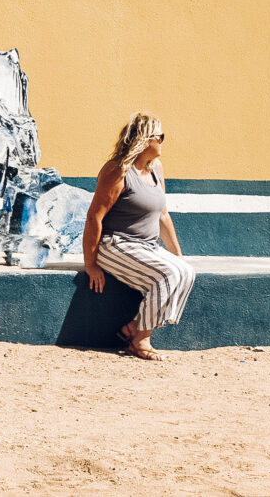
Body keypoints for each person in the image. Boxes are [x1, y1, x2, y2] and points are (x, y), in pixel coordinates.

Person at [82, 112, 196, 361]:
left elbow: (163, 215)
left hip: (147, 246)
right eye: (160, 137)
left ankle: (134, 327)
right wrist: (90, 264)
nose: (163, 142)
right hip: (116, 245)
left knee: (186, 272)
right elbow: (94, 218)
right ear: (145, 140)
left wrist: (178, 255)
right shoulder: (118, 170)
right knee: (167, 275)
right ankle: (140, 339)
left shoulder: (156, 169)